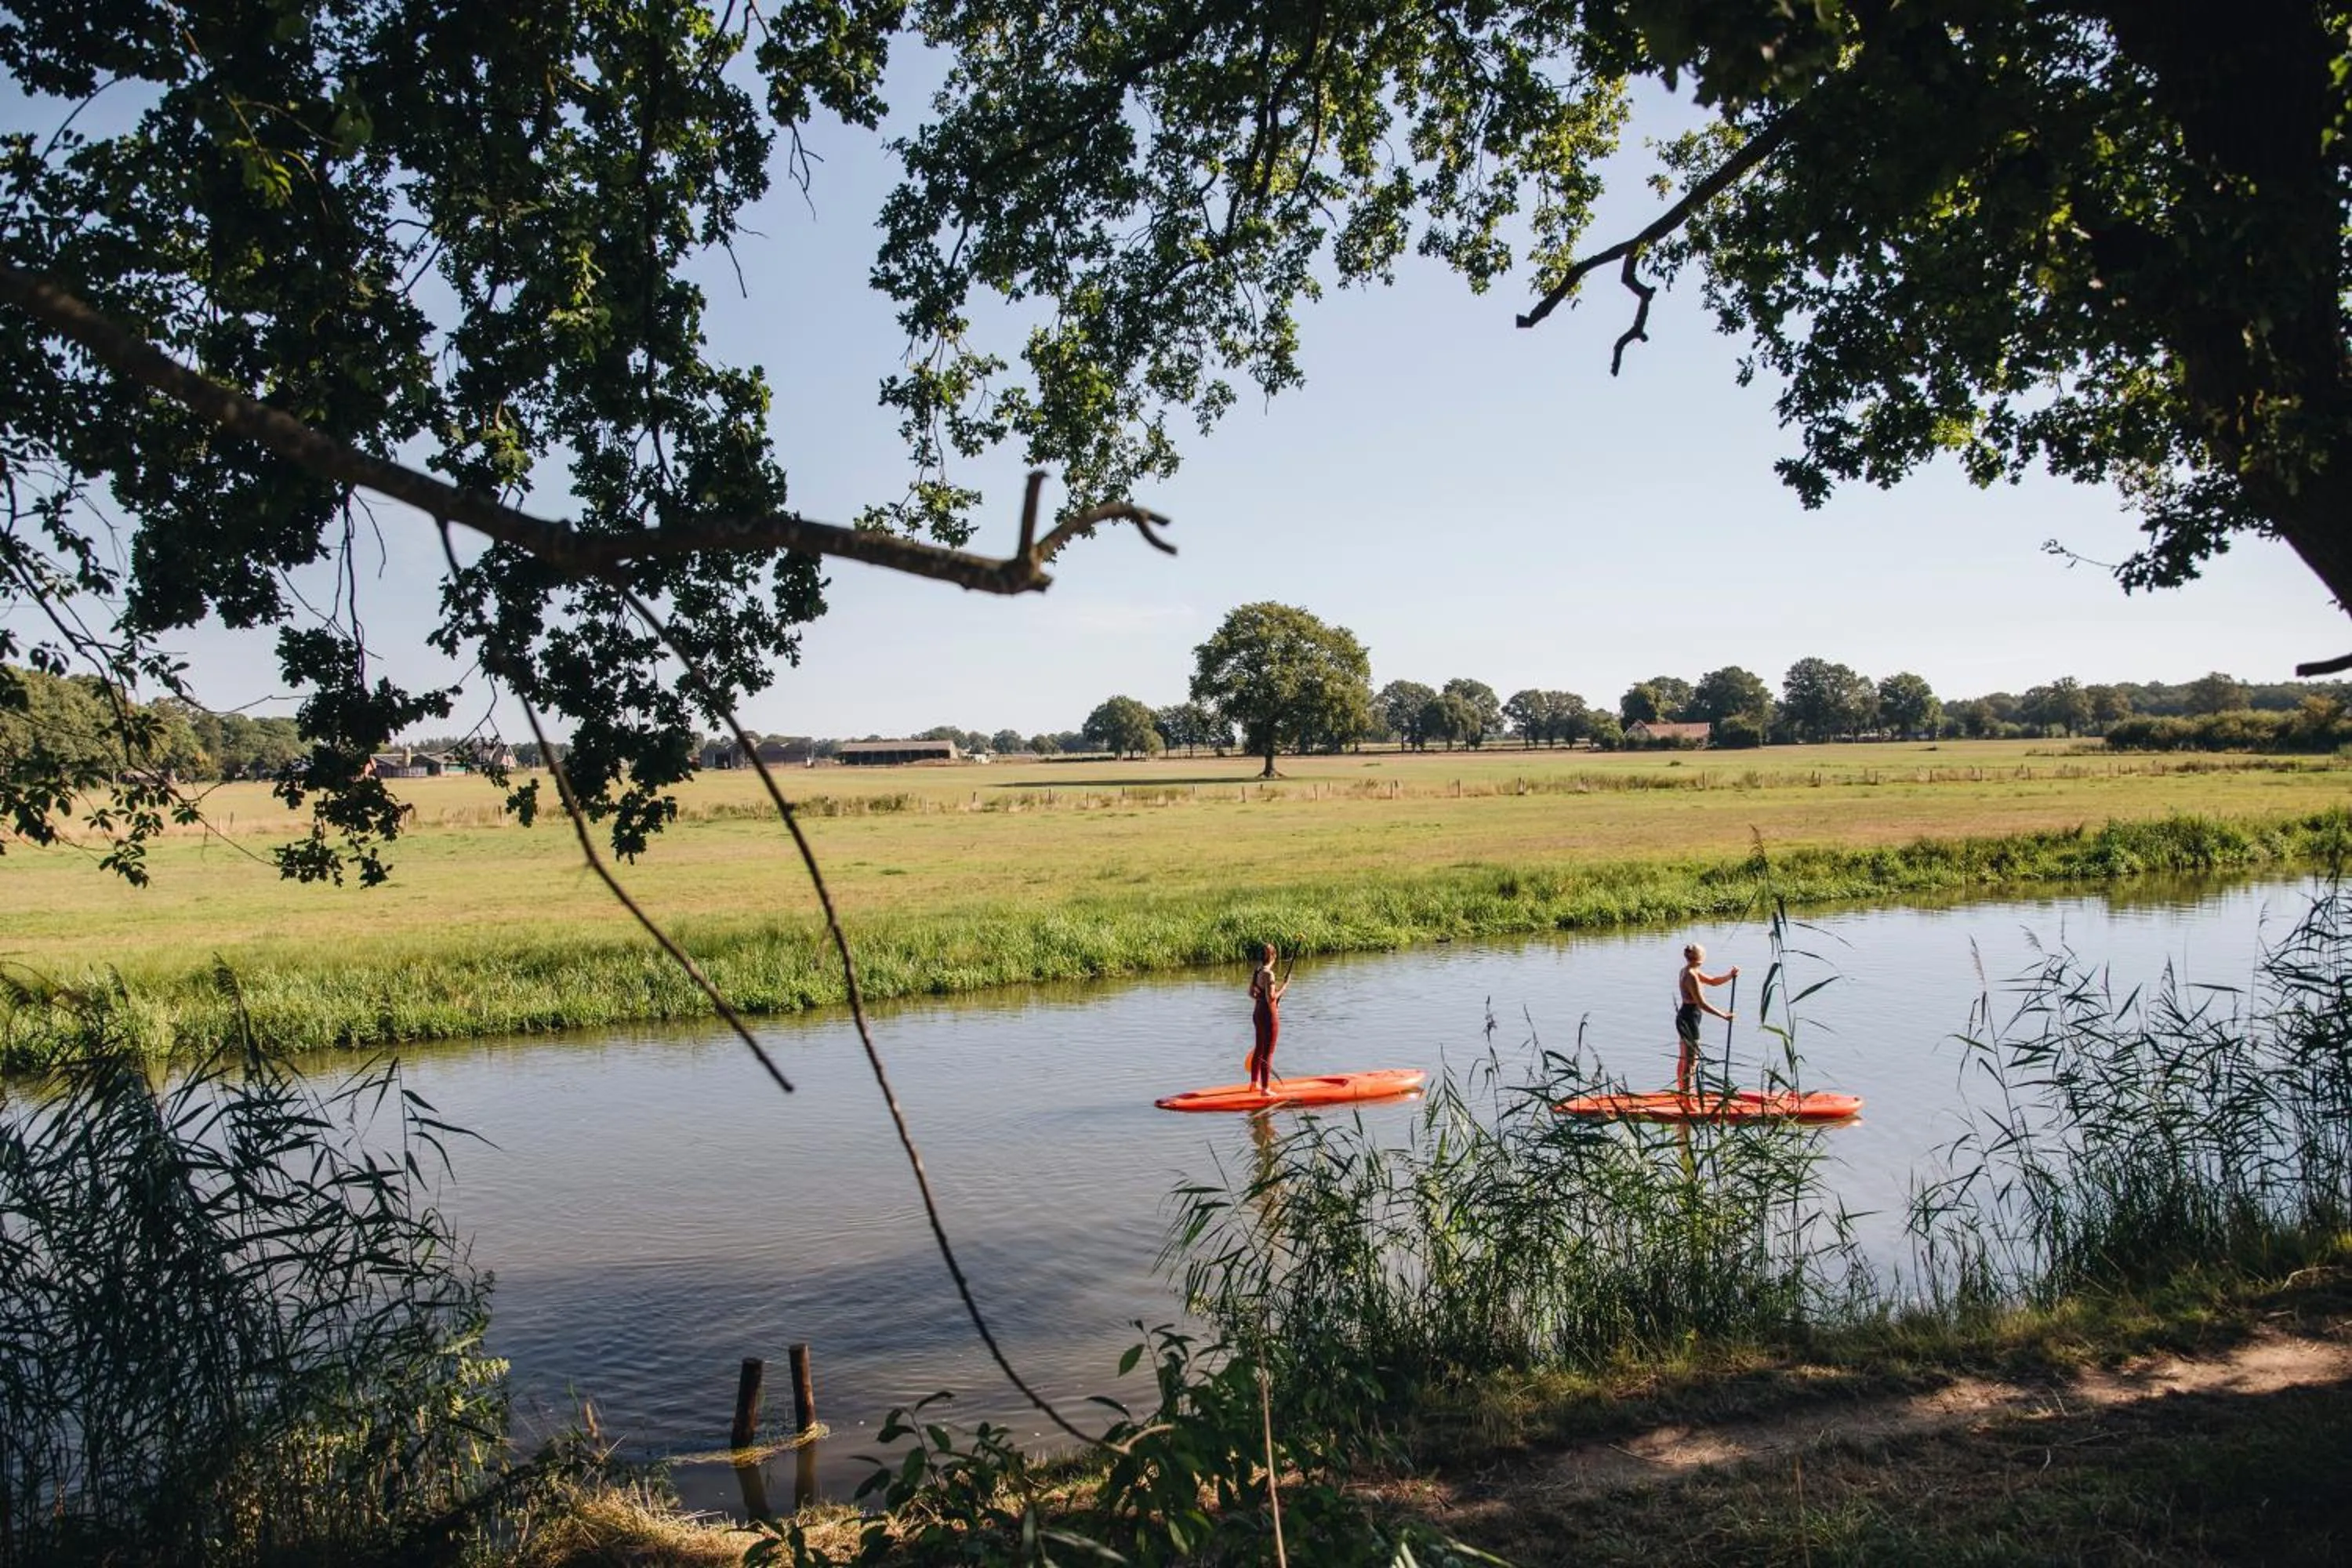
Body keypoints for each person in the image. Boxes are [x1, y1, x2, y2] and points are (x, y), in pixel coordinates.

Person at [1675, 943, 1739, 1095]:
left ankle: (1683, 1094)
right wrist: (1723, 1015)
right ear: (1699, 958)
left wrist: (1730, 976)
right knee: (1691, 1062)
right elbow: (1701, 1004)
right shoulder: (1691, 975)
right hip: (1689, 1017)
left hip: (1688, 1016)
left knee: (1685, 1058)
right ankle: (1688, 1100)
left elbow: (1712, 981)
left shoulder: (1691, 970)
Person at [1247, 942, 1289, 1092]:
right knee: (1268, 1052)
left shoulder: (1257, 971)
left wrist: (1267, 1001)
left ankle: (1254, 1084)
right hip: (1268, 1016)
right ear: (1273, 956)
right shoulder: (1269, 974)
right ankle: (1265, 1088)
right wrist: (1284, 987)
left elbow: (1251, 993)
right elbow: (1271, 997)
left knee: (1259, 1049)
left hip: (1258, 1013)